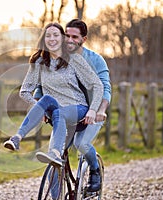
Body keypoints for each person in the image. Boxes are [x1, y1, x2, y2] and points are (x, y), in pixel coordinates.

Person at [3, 22, 103, 168]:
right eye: (48, 36)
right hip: (55, 108)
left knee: (59, 113)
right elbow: (24, 91)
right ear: (44, 40)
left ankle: (55, 153)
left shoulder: (73, 59)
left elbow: (97, 85)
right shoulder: (39, 62)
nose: (52, 39)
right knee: (46, 100)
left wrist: (93, 109)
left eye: (56, 35)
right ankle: (17, 138)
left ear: (62, 39)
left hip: (77, 107)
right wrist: (38, 107)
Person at [63, 18, 112, 192]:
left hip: (93, 112)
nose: (69, 40)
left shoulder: (96, 60)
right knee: (57, 151)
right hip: (71, 111)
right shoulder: (58, 58)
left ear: (84, 39)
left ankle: (94, 170)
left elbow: (105, 87)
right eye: (66, 35)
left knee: (81, 144)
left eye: (74, 37)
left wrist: (100, 110)